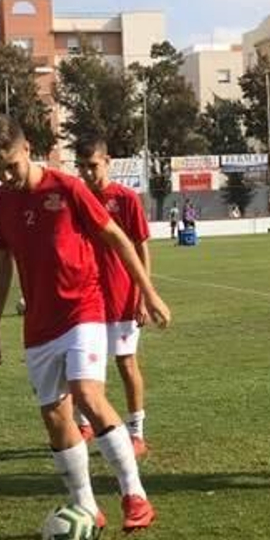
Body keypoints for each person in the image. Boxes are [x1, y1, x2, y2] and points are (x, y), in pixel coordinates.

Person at [0, 116, 170, 534]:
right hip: (38, 324)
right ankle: (86, 508)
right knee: (54, 417)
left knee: (86, 393)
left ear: (27, 149)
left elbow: (118, 238)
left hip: (83, 310)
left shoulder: (68, 189)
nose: (7, 176)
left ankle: (134, 494)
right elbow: (1, 266)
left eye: (11, 164)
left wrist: (149, 292)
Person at [73, 136, 154, 457]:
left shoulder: (125, 199)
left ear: (107, 162)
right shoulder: (76, 198)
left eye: (92, 166)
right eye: (81, 167)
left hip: (121, 295)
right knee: (80, 367)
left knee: (125, 363)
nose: (87, 173)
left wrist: (143, 296)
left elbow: (141, 247)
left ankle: (136, 432)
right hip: (84, 297)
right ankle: (84, 423)